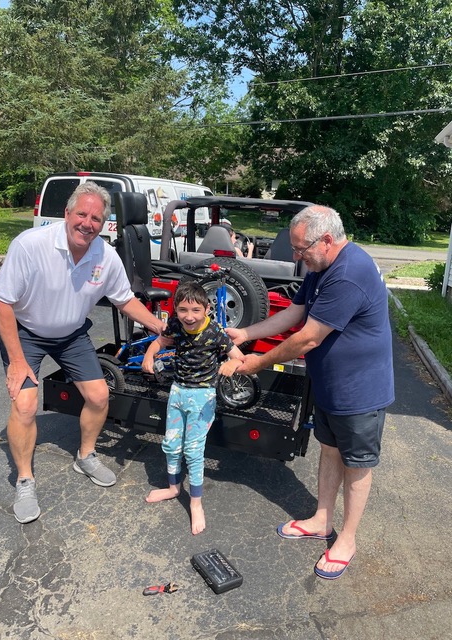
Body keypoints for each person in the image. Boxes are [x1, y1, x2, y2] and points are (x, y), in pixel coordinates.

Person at [227, 204, 394, 580]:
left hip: (360, 391)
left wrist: (255, 363)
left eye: (301, 249)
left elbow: (306, 339)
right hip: (331, 386)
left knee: (357, 464)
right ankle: (321, 519)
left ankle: (347, 539)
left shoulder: (348, 273)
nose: (297, 256)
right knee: (330, 450)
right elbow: (295, 314)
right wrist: (247, 334)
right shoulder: (321, 267)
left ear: (328, 240)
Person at [0, 181, 166, 524]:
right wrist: (16, 360)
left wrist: (159, 327)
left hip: (70, 334)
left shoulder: (105, 255)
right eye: (82, 214)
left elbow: (125, 299)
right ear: (67, 213)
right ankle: (25, 480)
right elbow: (1, 302)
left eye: (96, 219)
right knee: (25, 405)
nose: (88, 223)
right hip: (26, 332)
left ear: (104, 225)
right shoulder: (31, 245)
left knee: (100, 395)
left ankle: (85, 456)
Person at [142, 281, 244, 535]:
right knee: (171, 443)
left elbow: (239, 356)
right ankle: (174, 488)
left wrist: (232, 365)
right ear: (176, 310)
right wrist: (149, 354)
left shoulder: (215, 333)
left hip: (203, 396)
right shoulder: (176, 325)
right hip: (177, 392)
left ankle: (196, 503)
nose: (189, 316)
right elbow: (160, 342)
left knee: (193, 450)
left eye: (196, 310)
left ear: (207, 309)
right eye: (183, 310)